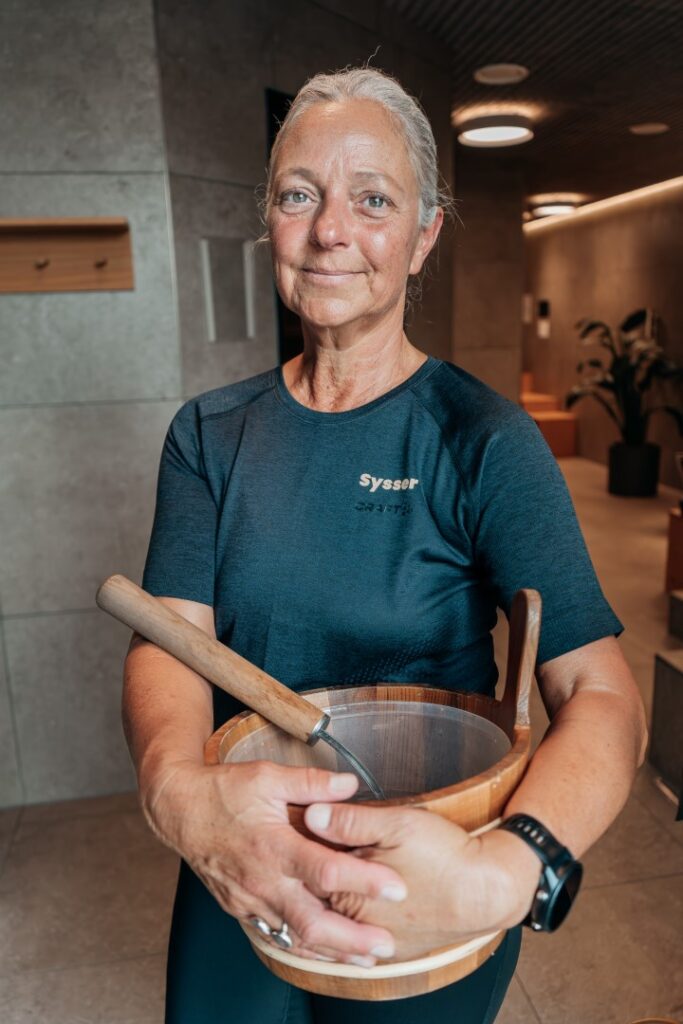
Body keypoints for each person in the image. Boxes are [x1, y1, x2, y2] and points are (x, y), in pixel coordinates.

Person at [123, 67, 647, 1023]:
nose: (330, 230)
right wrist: (178, 795)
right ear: (269, 222)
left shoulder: (482, 438)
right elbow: (168, 643)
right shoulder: (208, 433)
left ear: (423, 236)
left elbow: (600, 693)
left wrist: (507, 869)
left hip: (427, 869)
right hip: (245, 848)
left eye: (372, 200)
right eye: (298, 195)